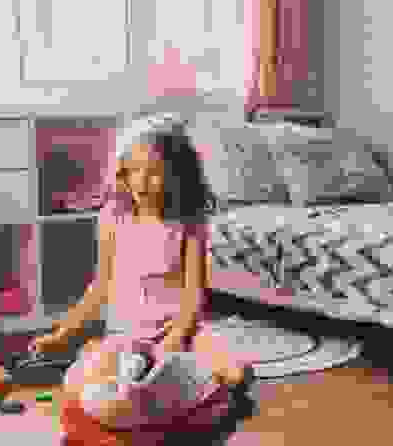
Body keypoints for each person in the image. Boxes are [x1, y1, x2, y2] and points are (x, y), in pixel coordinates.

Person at [32, 113, 249, 430]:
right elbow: (100, 287)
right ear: (124, 173)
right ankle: (157, 381)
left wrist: (176, 338)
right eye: (135, 172)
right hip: (128, 333)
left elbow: (194, 295)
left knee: (235, 373)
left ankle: (187, 387)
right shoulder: (113, 217)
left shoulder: (190, 221)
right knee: (93, 382)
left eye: (155, 174)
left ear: (178, 174)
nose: (143, 183)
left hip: (180, 329)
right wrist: (62, 334)